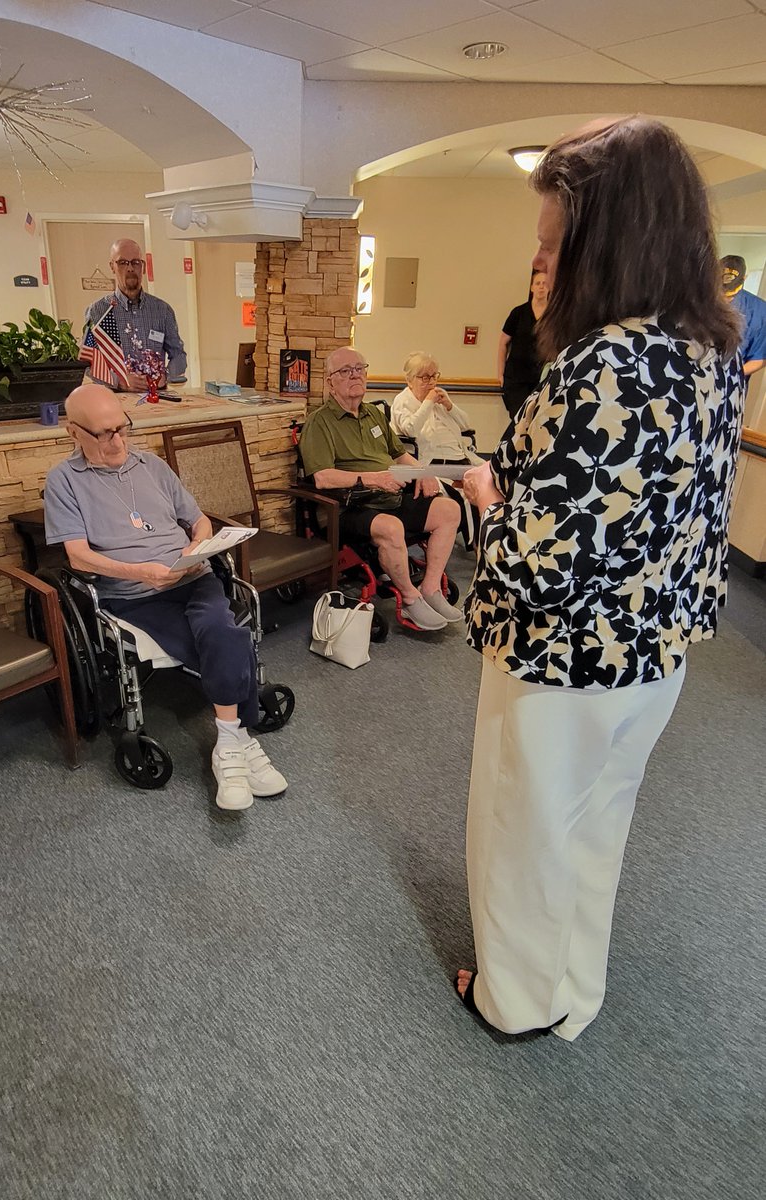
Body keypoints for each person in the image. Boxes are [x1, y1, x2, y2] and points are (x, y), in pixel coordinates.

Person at [455, 116, 744, 1041]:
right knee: (593, 833)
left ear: (605, 240)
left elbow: (538, 563)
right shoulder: (710, 351)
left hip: (563, 660)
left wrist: (485, 500)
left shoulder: (602, 364)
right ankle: (574, 986)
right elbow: (695, 512)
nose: (543, 263)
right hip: (655, 649)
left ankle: (513, 1002)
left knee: (522, 835)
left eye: (551, 244)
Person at [44, 383, 287, 812]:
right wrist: (140, 572)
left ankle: (228, 746)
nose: (118, 441)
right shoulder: (64, 482)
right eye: (104, 434)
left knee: (220, 626)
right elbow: (78, 557)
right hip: (135, 595)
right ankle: (238, 744)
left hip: (193, 578)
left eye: (122, 428)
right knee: (227, 637)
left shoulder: (152, 466)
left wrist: (198, 549)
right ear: (72, 432)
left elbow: (199, 522)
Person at [299, 347, 463, 632]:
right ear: (330, 382)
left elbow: (400, 455)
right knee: (390, 528)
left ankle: (430, 588)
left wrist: (422, 472)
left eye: (359, 369)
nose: (355, 375)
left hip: (389, 495)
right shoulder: (320, 422)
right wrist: (373, 478)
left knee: (449, 510)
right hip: (350, 506)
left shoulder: (374, 413)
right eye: (345, 371)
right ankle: (410, 599)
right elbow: (323, 478)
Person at [390, 351, 481, 547]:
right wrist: (427, 403)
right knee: (468, 494)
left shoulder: (440, 400)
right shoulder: (403, 401)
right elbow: (410, 430)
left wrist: (449, 405)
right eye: (424, 377)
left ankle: (493, 540)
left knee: (494, 481)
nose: (431, 382)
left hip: (461, 460)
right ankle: (477, 547)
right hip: (432, 465)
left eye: (434, 376)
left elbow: (467, 426)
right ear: (409, 380)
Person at [85, 238, 187, 393]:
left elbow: (179, 355)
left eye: (135, 262)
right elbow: (88, 361)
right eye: (123, 262)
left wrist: (165, 376)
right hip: (115, 400)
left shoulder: (162, 310)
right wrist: (118, 380)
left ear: (143, 267)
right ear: (112, 266)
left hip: (158, 400)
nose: (130, 268)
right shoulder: (98, 311)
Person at [497, 269, 548, 419]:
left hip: (542, 378)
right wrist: (500, 374)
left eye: (545, 284)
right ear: (532, 287)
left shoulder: (554, 315)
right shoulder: (518, 313)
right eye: (538, 283)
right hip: (516, 378)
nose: (541, 287)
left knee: (538, 422)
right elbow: (502, 344)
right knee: (519, 420)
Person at [720, 255, 766, 378]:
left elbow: (760, 357)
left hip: (729, 383)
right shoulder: (696, 301)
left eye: (730, 295)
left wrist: (731, 377)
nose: (724, 299)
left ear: (744, 279)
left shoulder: (760, 311)